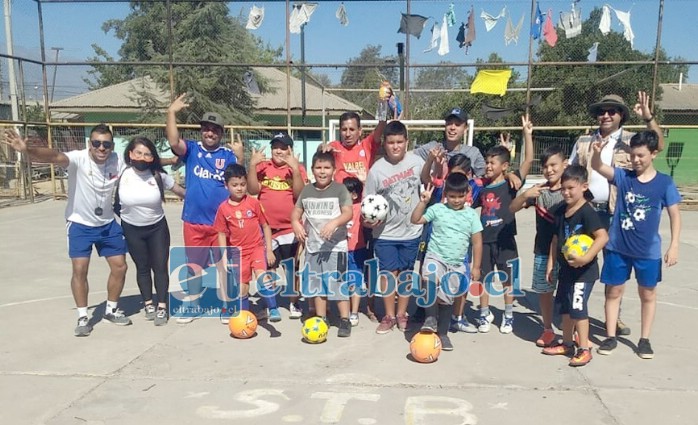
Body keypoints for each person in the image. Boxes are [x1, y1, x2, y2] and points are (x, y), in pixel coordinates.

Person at [5, 125, 131, 336]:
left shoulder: (117, 160)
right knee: (80, 269)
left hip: (107, 224)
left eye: (106, 144)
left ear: (111, 146)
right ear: (89, 144)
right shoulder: (78, 158)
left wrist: (172, 160)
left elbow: (144, 161)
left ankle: (111, 309)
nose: (101, 148)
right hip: (79, 223)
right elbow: (54, 156)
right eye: (97, 143)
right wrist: (27, 150)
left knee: (120, 267)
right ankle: (83, 317)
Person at [570, 91, 664, 336]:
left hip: (617, 214)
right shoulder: (583, 142)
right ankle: (577, 313)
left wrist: (648, 118)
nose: (606, 115)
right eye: (602, 111)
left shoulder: (632, 142)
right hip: (587, 211)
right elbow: (571, 173)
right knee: (581, 261)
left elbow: (658, 144)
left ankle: (615, 318)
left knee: (614, 270)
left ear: (621, 115)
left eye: (612, 111)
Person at [591, 131, 681, 359]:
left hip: (647, 251)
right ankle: (610, 336)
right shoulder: (624, 177)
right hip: (618, 247)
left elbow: (675, 215)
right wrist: (596, 154)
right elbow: (599, 167)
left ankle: (644, 340)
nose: (635, 160)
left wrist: (674, 245)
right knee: (614, 291)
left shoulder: (664, 183)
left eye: (640, 155)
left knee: (648, 293)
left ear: (654, 153)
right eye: (632, 155)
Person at [165, 94, 241, 323]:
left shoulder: (227, 155)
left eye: (215, 130)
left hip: (220, 224)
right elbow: (173, 141)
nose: (210, 133)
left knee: (225, 266)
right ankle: (194, 304)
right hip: (194, 220)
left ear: (221, 133)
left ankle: (228, 306)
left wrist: (240, 154)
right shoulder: (191, 150)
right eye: (206, 129)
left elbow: (238, 180)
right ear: (201, 131)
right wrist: (171, 112)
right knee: (193, 266)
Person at [470, 115, 534, 334]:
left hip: (506, 240)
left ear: (504, 166)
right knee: (484, 279)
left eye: (492, 163)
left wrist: (527, 134)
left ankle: (508, 314)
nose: (488, 166)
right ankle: (484, 313)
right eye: (486, 162)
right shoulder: (482, 188)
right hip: (485, 241)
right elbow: (469, 206)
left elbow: (527, 162)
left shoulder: (511, 183)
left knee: (508, 280)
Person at [542, 165, 609, 367]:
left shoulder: (587, 212)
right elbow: (556, 240)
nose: (566, 192)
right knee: (564, 307)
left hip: (583, 272)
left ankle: (584, 349)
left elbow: (602, 237)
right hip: (565, 270)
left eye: (571, 188)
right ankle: (568, 343)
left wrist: (585, 258)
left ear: (584, 186)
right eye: (563, 188)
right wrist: (551, 265)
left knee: (578, 308)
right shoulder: (561, 210)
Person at [116, 137, 185, 326]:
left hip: (157, 228)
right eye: (138, 153)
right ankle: (148, 304)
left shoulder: (158, 176)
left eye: (147, 154)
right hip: (131, 228)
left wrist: (206, 199)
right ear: (130, 154)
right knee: (142, 267)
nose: (142, 157)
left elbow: (181, 191)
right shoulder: (122, 172)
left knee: (160, 267)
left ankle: (162, 306)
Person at [364, 121, 425, 334]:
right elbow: (367, 204)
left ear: (406, 142)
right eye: (391, 142)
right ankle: (388, 316)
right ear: (384, 144)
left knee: (407, 273)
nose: (395, 146)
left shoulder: (417, 163)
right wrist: (369, 220)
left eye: (400, 142)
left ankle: (402, 314)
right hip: (385, 233)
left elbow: (429, 185)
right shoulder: (376, 170)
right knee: (388, 274)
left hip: (412, 231)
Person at [411, 173, 483, 351]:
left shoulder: (471, 215)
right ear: (445, 193)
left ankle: (443, 334)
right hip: (435, 257)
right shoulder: (437, 209)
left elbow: (477, 242)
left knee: (446, 301)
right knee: (429, 280)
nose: (456, 200)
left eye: (460, 196)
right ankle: (430, 318)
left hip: (457, 264)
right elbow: (415, 219)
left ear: (468, 193)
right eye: (452, 196)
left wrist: (476, 266)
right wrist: (423, 202)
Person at [510, 145, 568, 347]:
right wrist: (526, 195)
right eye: (545, 166)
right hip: (542, 250)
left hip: (569, 253)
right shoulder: (539, 191)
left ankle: (573, 329)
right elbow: (512, 208)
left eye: (554, 165)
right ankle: (547, 328)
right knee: (545, 291)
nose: (549, 170)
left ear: (565, 164)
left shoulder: (570, 191)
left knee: (568, 292)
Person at [291, 151, 353, 337]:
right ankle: (321, 317)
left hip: (336, 248)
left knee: (338, 284)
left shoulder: (340, 190)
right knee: (317, 285)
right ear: (312, 170)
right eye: (318, 168)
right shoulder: (307, 190)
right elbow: (296, 212)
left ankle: (344, 319)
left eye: (326, 168)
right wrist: (296, 224)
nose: (322, 172)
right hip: (314, 247)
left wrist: (334, 223)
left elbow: (348, 213)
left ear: (333, 170)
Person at [247, 132, 308, 319]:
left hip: (289, 229)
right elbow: (252, 190)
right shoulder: (263, 167)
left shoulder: (297, 168)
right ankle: (270, 305)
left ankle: (293, 302)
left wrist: (296, 170)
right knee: (268, 268)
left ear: (290, 150)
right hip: (267, 230)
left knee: (292, 269)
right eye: (276, 147)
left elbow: (300, 195)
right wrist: (251, 165)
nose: (279, 151)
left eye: (283, 147)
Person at [213, 164, 278, 323]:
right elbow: (221, 233)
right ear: (226, 185)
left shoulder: (253, 203)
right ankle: (245, 317)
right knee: (242, 286)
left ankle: (273, 309)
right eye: (235, 185)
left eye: (242, 184)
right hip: (238, 253)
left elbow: (265, 225)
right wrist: (223, 255)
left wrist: (268, 249)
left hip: (256, 248)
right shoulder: (223, 209)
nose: (239, 188)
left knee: (262, 277)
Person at [413, 108, 486, 178]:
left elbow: (484, 177)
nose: (452, 127)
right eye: (449, 123)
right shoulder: (433, 148)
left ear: (465, 129)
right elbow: (408, 157)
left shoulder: (473, 153)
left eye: (457, 124)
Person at [320, 111, 387, 184]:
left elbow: (381, 125)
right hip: (341, 194)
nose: (348, 134)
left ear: (360, 130)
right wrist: (322, 147)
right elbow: (322, 150)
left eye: (352, 129)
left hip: (363, 194)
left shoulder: (367, 146)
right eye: (344, 130)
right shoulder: (335, 147)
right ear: (340, 131)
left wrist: (384, 103)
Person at [343, 176, 369, 326]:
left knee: (355, 282)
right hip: (340, 250)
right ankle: (344, 311)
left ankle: (354, 312)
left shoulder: (360, 207)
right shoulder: (338, 208)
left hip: (357, 250)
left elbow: (369, 199)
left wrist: (364, 184)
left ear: (354, 195)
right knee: (342, 282)